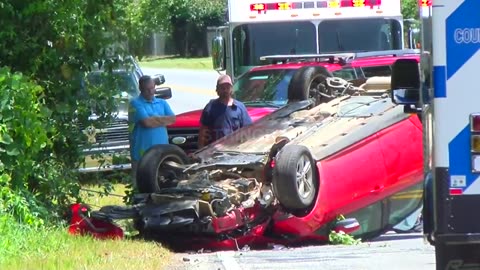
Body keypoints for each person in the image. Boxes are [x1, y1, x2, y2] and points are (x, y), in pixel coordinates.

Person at [128, 75, 176, 186]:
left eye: (152, 88)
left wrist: (154, 119)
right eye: (147, 89)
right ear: (140, 88)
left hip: (162, 153)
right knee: (142, 186)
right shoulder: (135, 104)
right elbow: (147, 123)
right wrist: (162, 119)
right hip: (142, 154)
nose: (151, 92)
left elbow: (173, 119)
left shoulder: (162, 103)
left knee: (162, 183)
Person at [198, 74, 252, 148]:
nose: (225, 90)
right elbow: (203, 132)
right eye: (222, 88)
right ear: (217, 90)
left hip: (235, 150)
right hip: (215, 151)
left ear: (231, 89)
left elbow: (247, 131)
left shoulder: (240, 107)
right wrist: (200, 149)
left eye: (227, 87)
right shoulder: (210, 107)